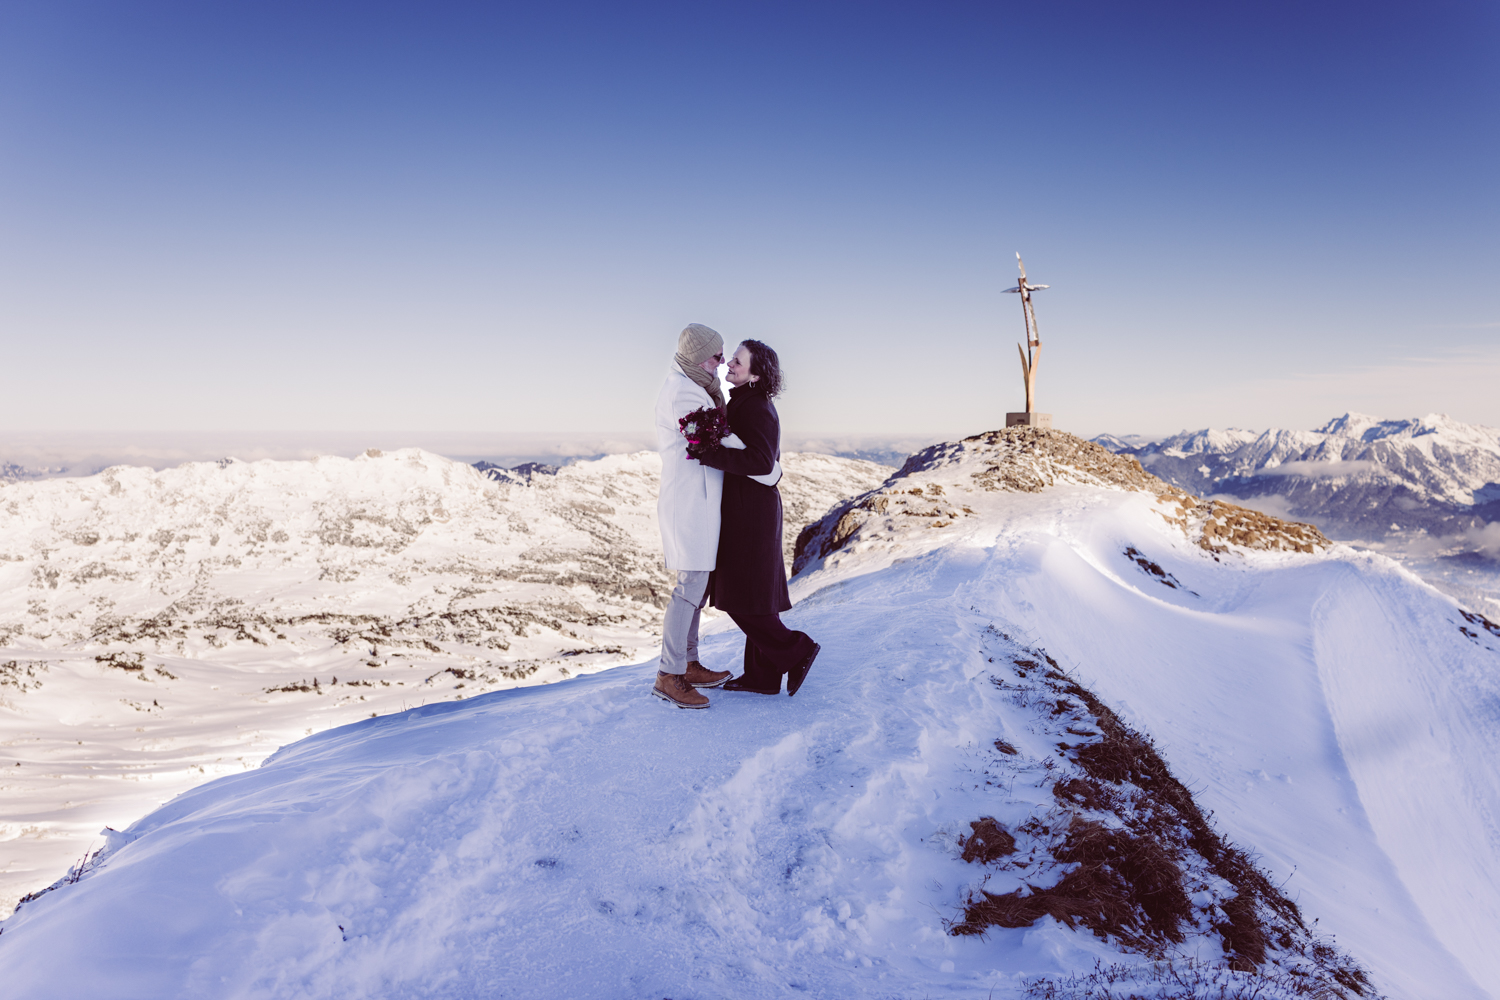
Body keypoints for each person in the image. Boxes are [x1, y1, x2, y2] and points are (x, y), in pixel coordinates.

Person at [697, 340, 821, 695]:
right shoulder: (746, 402)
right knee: (754, 596)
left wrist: (710, 455)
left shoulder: (756, 408)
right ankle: (762, 677)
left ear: (756, 373)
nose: (729, 365)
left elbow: (762, 462)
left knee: (740, 597)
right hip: (748, 508)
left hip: (751, 514)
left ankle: (797, 649)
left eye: (738, 361)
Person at [652, 324, 734, 708]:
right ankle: (669, 673)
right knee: (689, 588)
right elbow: (711, 439)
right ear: (700, 355)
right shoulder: (683, 391)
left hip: (699, 502)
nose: (721, 363)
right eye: (717, 356)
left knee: (696, 588)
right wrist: (759, 451)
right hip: (688, 503)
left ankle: (688, 663)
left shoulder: (693, 385)